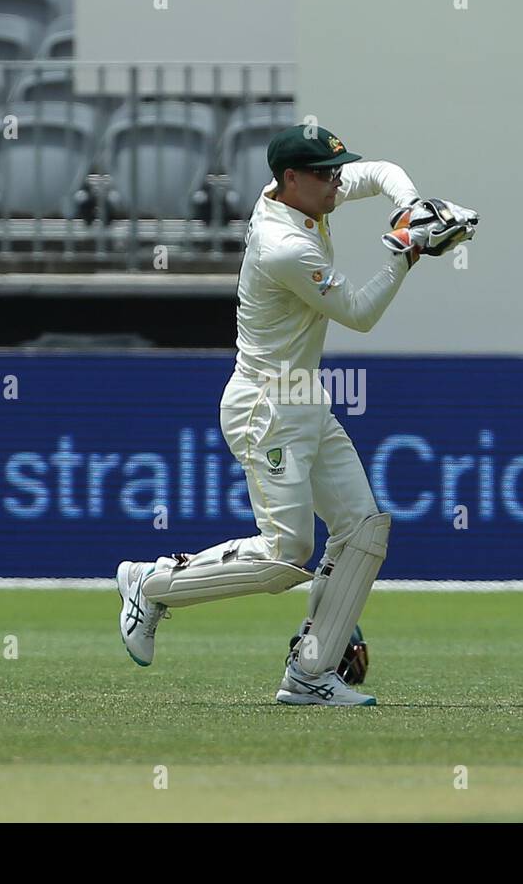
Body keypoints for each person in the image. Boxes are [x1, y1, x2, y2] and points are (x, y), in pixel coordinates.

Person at [115, 123, 465, 706]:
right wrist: (409, 251)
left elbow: (379, 172)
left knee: (362, 529)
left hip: (304, 397)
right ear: (292, 179)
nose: (337, 184)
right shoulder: (284, 246)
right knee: (286, 556)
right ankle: (151, 585)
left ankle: (309, 674)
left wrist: (409, 208)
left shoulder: (305, 191)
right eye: (326, 175)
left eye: (335, 172)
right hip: (265, 407)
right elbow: (357, 312)